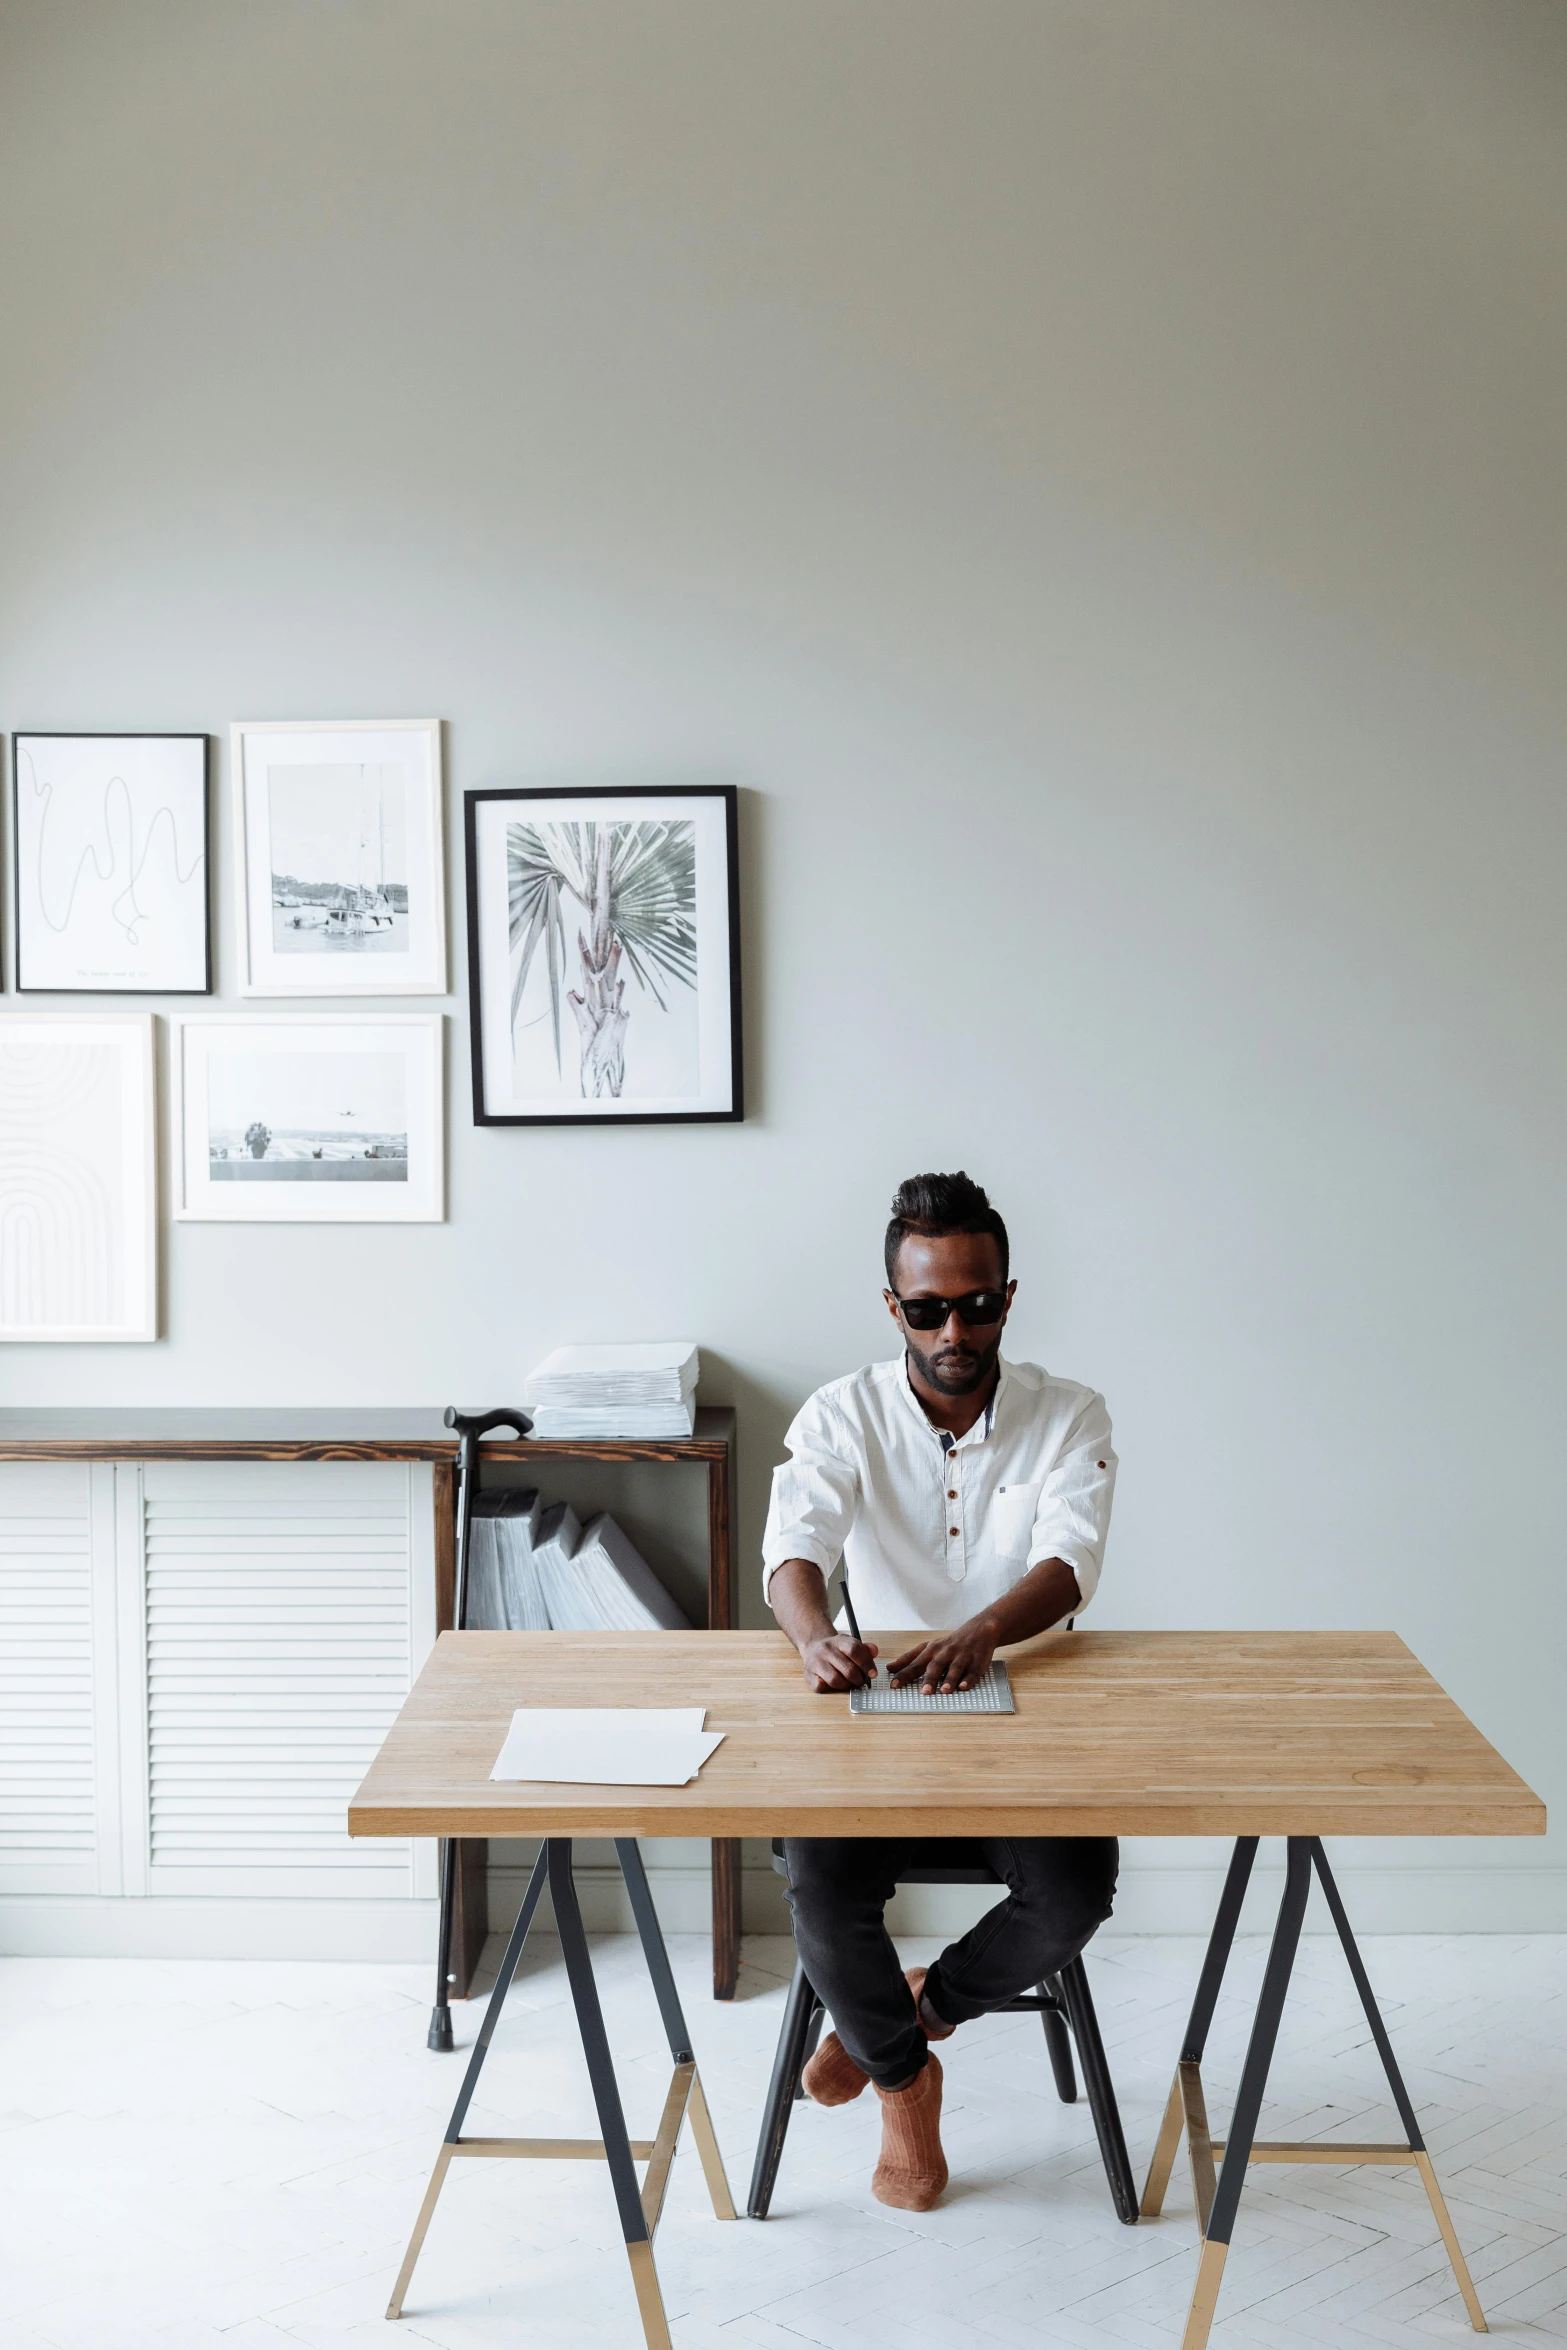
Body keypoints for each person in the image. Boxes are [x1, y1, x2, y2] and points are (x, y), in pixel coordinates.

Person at [762, 1170, 1119, 2211]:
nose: (952, 1328)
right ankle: (906, 2088)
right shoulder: (841, 1413)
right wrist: (813, 1636)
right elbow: (794, 1548)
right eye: (926, 1309)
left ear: (1009, 1296)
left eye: (975, 1302)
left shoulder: (1069, 1412)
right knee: (817, 1880)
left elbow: (1070, 1559)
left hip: (1024, 1710)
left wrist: (983, 1632)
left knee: (1074, 1893)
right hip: (879, 1720)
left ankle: (909, 2013)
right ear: (893, 1308)